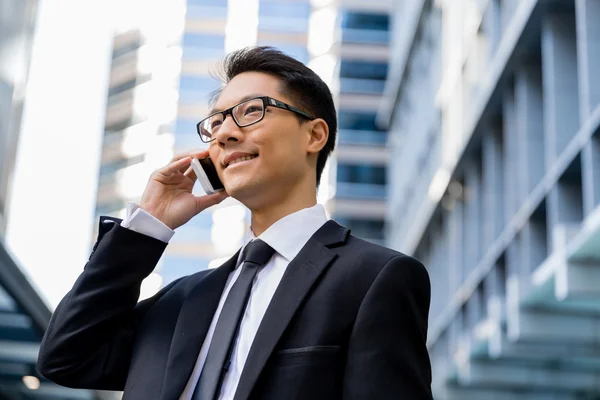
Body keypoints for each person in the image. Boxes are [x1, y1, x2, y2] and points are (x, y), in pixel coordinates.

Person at [37, 46, 432, 400]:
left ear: (314, 135)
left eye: (250, 111)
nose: (224, 133)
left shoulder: (375, 278)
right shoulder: (181, 301)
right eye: (215, 123)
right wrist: (148, 227)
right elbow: (67, 357)